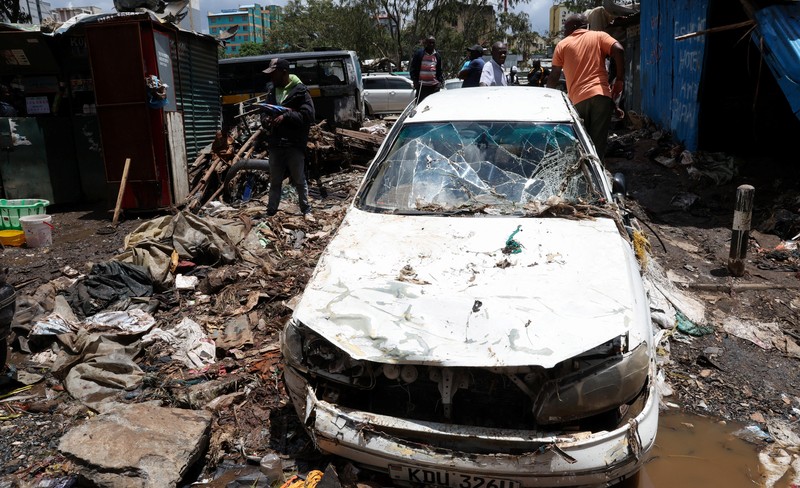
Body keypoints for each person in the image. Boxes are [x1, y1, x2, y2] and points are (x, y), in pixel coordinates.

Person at [547, 13, 624, 162]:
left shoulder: (562, 45)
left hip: (578, 101)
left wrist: (546, 97)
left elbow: (554, 76)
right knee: (597, 147)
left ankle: (584, 179)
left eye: (565, 28)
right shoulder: (599, 36)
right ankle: (597, 179)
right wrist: (619, 80)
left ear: (572, 28)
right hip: (601, 98)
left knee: (580, 145)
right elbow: (619, 50)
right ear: (586, 26)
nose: (564, 32)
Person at [261, 57, 316, 219]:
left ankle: (306, 210)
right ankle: (271, 212)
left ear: (283, 73)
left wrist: (286, 116)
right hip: (275, 144)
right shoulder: (272, 91)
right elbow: (264, 111)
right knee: (275, 181)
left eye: (274, 73)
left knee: (299, 179)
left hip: (294, 144)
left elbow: (308, 116)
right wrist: (265, 119)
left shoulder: (300, 91)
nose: (271, 77)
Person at [409, 36, 443, 102]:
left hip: (434, 86)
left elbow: (439, 70)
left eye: (433, 43)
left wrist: (440, 82)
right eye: (429, 42)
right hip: (422, 86)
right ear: (426, 43)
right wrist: (415, 80)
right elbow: (413, 68)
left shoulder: (437, 56)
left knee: (433, 105)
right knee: (420, 105)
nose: (431, 44)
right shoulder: (419, 54)